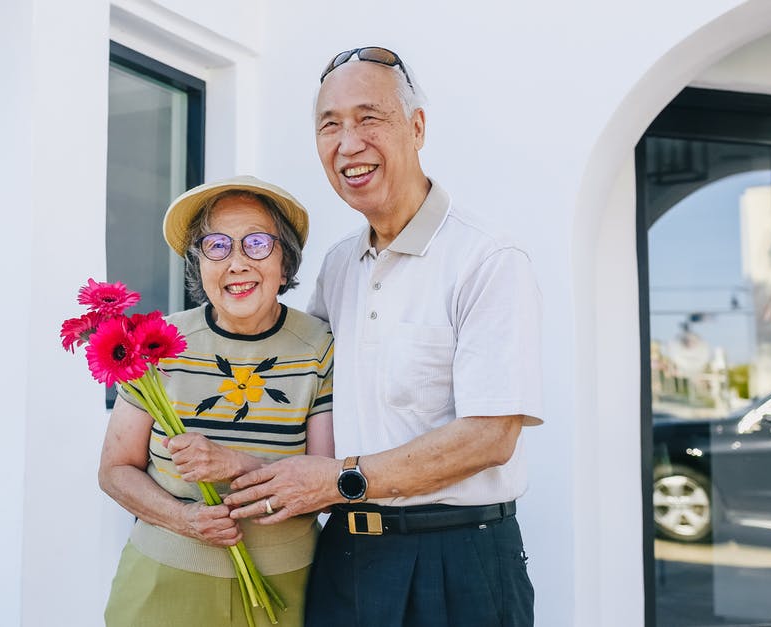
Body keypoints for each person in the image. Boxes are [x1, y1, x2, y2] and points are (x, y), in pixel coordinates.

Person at [223, 47, 544, 626]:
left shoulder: (488, 258)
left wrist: (339, 479)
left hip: (459, 561)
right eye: (330, 125)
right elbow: (297, 383)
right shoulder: (340, 264)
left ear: (417, 127)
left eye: (370, 118)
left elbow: (492, 436)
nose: (348, 143)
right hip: (347, 554)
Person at [99, 175, 335, 627]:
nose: (237, 263)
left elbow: (325, 490)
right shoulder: (157, 342)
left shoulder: (318, 345)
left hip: (288, 592)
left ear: (285, 263)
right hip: (162, 587)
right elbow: (114, 471)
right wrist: (185, 518)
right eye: (218, 246)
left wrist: (235, 464)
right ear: (198, 264)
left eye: (258, 243)